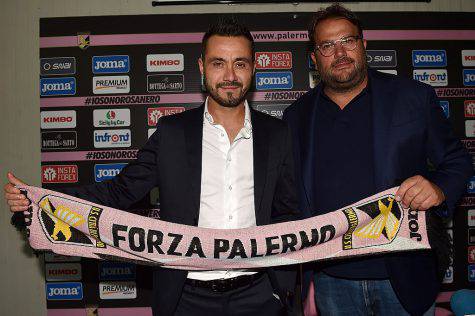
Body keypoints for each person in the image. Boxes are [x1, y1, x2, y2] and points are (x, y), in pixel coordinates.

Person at [5, 18, 300, 316]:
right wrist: (41, 198)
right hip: (186, 297)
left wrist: (281, 286)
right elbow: (118, 192)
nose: (229, 75)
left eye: (240, 63)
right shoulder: (172, 133)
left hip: (259, 294)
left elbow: (288, 212)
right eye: (218, 63)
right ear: (201, 67)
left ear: (253, 67)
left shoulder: (277, 134)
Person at [283, 4, 472, 316]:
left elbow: (457, 161)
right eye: (327, 45)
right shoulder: (296, 117)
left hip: (403, 276)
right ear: (314, 58)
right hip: (333, 281)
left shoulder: (413, 97)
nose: (340, 52)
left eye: (348, 41)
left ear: (364, 44)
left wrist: (438, 188)